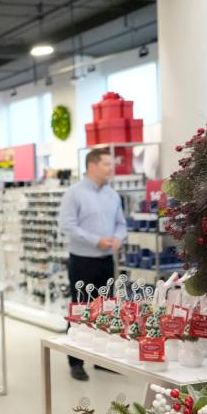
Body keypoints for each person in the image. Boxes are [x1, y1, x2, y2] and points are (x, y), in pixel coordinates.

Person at [58, 148, 127, 381]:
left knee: (106, 310)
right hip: (82, 261)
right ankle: (75, 361)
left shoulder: (113, 195)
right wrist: (95, 240)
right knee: (80, 310)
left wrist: (118, 238)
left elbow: (121, 224)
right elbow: (67, 225)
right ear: (92, 166)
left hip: (106, 261)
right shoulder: (74, 193)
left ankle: (101, 359)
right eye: (107, 164)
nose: (111, 168)